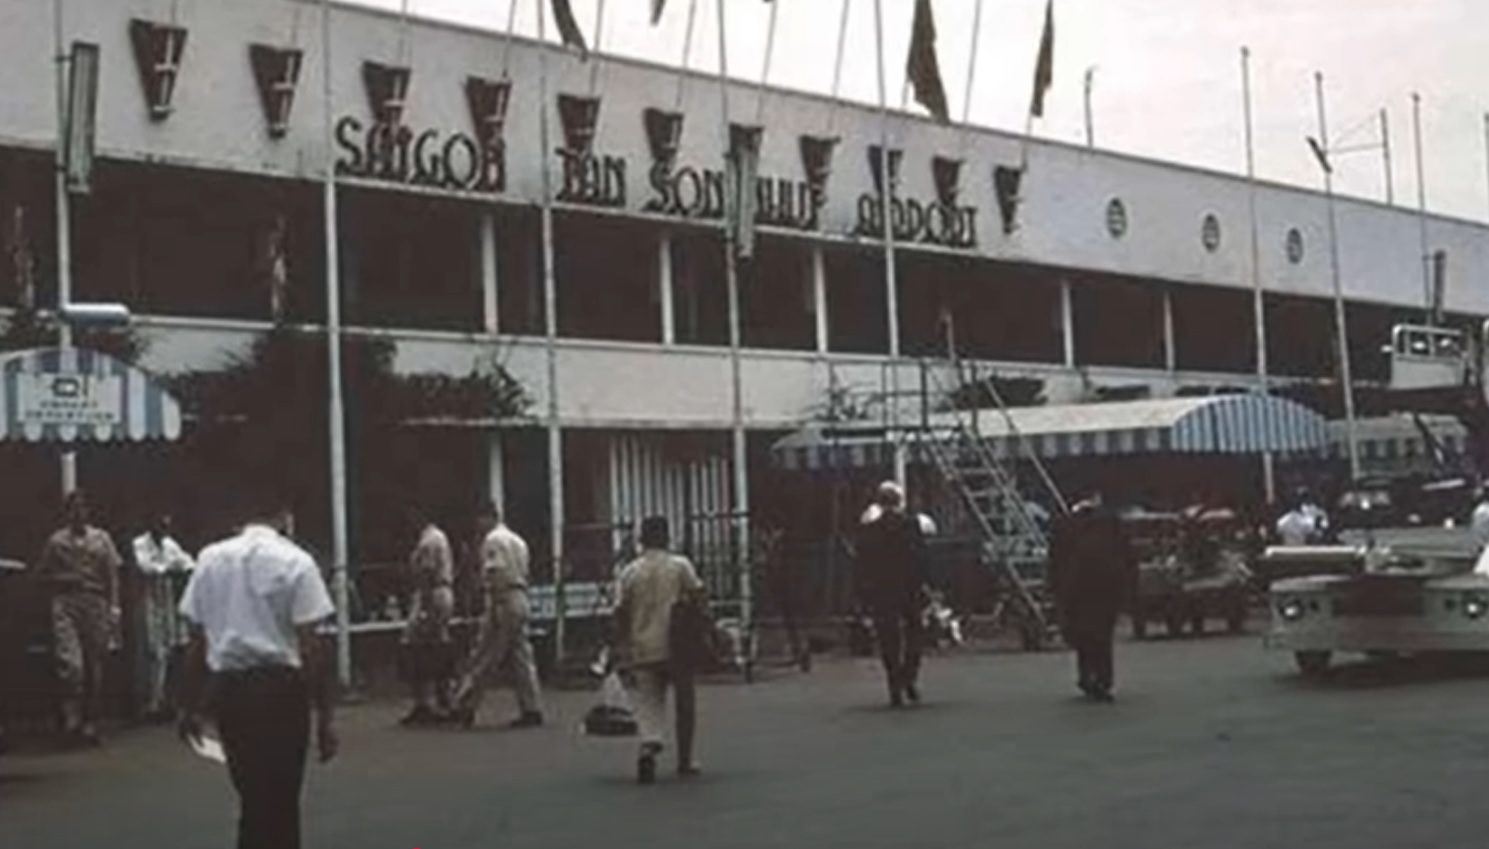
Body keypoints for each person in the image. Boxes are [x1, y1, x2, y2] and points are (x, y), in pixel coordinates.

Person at [176, 493, 338, 849]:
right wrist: (325, 717)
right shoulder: (297, 561)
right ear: (284, 515)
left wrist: (189, 706)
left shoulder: (210, 559)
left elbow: (196, 642)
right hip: (281, 689)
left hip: (230, 690)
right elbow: (313, 647)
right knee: (282, 797)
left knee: (250, 792)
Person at [613, 515, 708, 783]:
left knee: (650, 703)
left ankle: (649, 743)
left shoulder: (630, 572)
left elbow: (619, 612)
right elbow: (699, 596)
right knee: (685, 704)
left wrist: (620, 645)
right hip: (678, 645)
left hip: (643, 646)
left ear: (642, 539)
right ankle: (685, 760)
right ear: (667, 537)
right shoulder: (680, 566)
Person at [35, 490, 123, 746]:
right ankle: (70, 719)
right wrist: (61, 578)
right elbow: (40, 575)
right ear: (67, 512)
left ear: (88, 511)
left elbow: (112, 574)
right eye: (73, 508)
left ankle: (89, 721)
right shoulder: (56, 541)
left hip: (95, 601)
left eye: (83, 508)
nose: (79, 513)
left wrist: (114, 607)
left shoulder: (102, 539)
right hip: (66, 602)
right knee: (72, 665)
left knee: (94, 665)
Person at [451, 502, 544, 729]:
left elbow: (496, 571)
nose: (477, 525)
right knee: (522, 656)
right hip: (520, 595)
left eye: (479, 519)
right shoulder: (518, 540)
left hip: (502, 598)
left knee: (486, 654)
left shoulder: (493, 540)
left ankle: (465, 705)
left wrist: (491, 600)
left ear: (488, 517)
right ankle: (531, 707)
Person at [1049, 488, 1136, 702]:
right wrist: (1128, 587)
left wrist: (1055, 588)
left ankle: (1086, 675)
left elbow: (1055, 560)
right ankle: (1104, 679)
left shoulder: (1064, 524)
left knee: (1082, 634)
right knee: (1103, 635)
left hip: (1076, 589)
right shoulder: (1112, 522)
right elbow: (1128, 556)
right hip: (1107, 587)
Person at [856, 481, 929, 708]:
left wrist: (864, 592)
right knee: (915, 632)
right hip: (909, 587)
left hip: (881, 589)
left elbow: (862, 564)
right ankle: (909, 675)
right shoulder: (912, 526)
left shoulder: (869, 531)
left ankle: (894, 682)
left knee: (888, 637)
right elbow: (921, 558)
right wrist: (926, 584)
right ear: (899, 502)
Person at [132, 512, 195, 721]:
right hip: (148, 601)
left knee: (167, 651)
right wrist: (170, 569)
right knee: (152, 652)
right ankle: (149, 702)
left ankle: (161, 701)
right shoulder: (140, 543)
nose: (164, 529)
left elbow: (189, 563)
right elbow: (146, 568)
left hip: (167, 601)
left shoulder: (169, 544)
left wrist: (171, 569)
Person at [398, 504, 456, 727]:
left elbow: (427, 573)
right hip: (439, 592)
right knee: (437, 644)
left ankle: (427, 702)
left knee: (418, 647)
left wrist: (424, 606)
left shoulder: (429, 540)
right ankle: (442, 698)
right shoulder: (436, 537)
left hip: (432, 594)